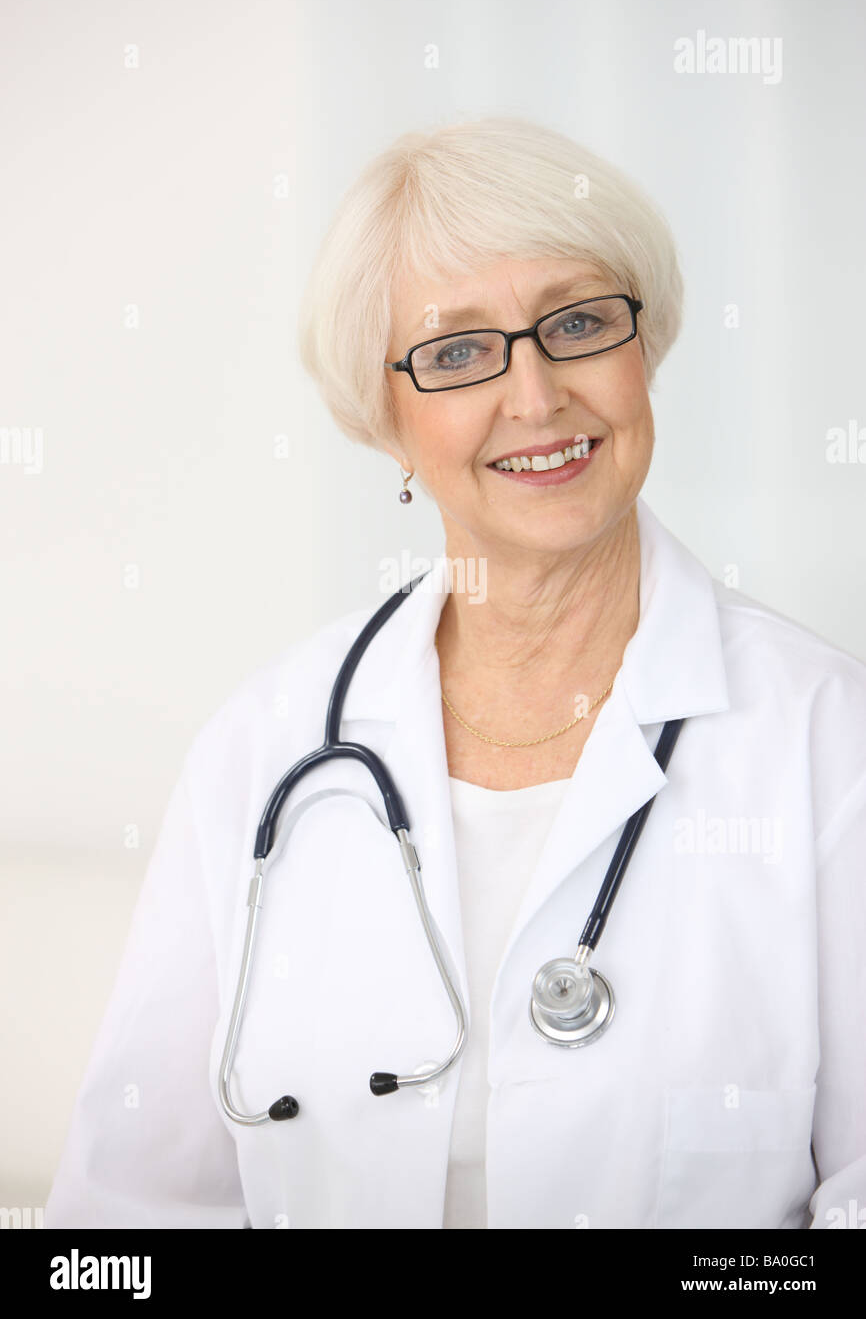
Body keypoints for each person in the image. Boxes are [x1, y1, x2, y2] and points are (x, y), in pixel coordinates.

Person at [46, 117, 866, 1230]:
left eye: (575, 323)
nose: (534, 399)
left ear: (643, 350)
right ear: (384, 420)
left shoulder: (822, 737)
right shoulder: (263, 747)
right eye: (457, 352)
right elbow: (127, 1221)